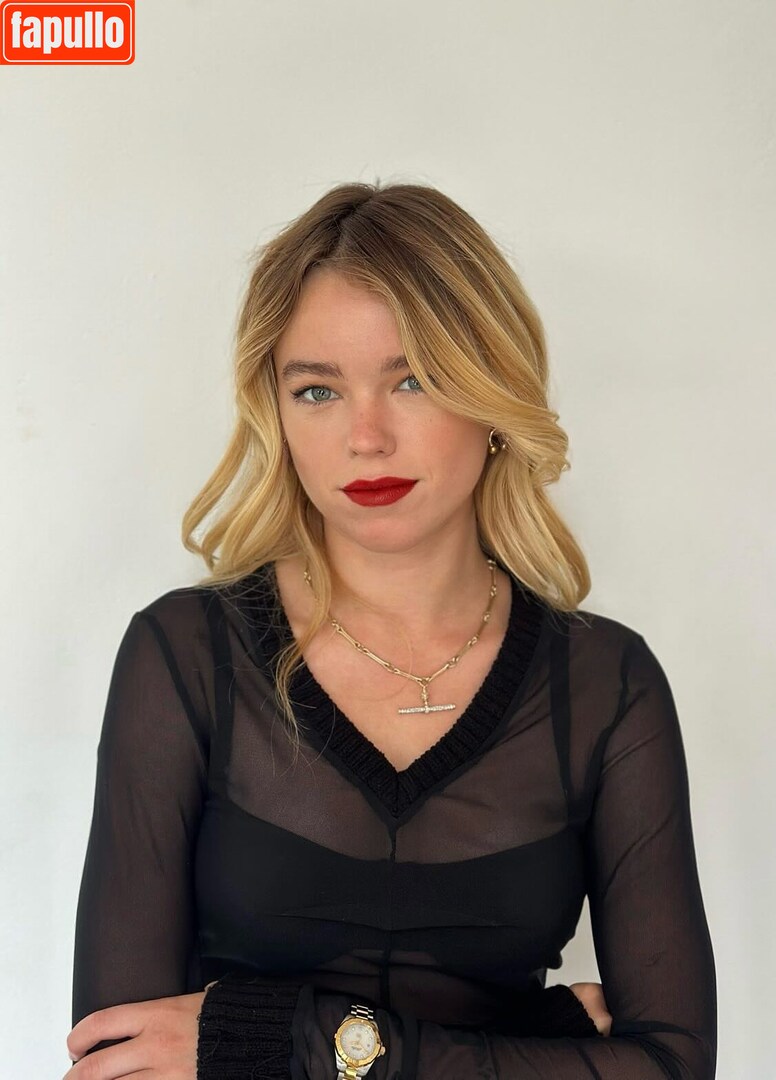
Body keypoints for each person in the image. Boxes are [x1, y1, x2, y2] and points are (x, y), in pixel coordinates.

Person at [67, 181, 717, 1079]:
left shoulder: (605, 685)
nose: (365, 437)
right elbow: (115, 1061)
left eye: (413, 379)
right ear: (276, 412)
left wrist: (279, 1037)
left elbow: (674, 1068)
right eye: (316, 390)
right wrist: (535, 1040)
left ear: (492, 391)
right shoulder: (184, 657)